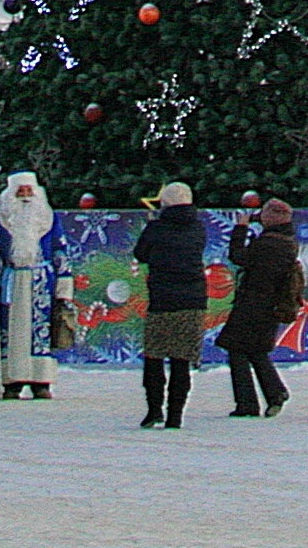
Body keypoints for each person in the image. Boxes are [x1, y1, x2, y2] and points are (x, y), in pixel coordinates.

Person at [133, 180, 213, 429]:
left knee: (154, 357)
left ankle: (154, 409)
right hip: (193, 301)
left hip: (162, 301)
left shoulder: (156, 229)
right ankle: (175, 415)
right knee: (182, 360)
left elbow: (140, 254)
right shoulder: (198, 229)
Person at [222, 198, 299, 417]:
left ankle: (248, 403)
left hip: (254, 303)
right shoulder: (286, 240)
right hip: (269, 304)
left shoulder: (269, 243)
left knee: (237, 349)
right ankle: (275, 392)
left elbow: (238, 257)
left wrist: (240, 229)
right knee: (255, 350)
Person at [0, 172, 55, 401]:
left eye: (29, 191)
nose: (26, 196)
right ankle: (12, 381)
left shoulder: (48, 219)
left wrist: (64, 288)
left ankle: (41, 381)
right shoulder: (1, 221)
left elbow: (61, 251)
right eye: (21, 191)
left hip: (40, 282)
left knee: (40, 331)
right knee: (12, 330)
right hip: (12, 281)